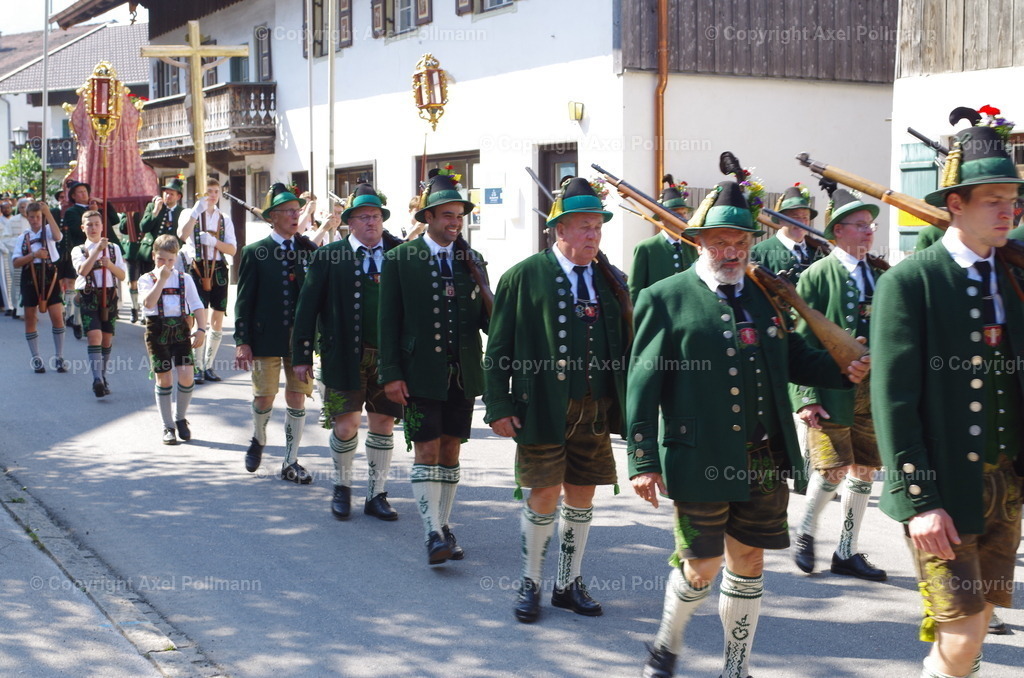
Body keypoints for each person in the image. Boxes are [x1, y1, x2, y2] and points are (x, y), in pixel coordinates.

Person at [628, 179, 869, 678]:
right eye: (720, 240)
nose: (731, 250)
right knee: (701, 567)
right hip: (697, 454)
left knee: (750, 563)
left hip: (762, 456)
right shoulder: (664, 298)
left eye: (740, 241)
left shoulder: (765, 297)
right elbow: (642, 385)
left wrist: (840, 370)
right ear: (699, 241)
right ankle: (666, 644)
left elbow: (793, 357)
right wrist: (643, 460)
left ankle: (735, 669)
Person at [872, 113, 1024, 678]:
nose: (1008, 210)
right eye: (992, 200)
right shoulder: (912, 282)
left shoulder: (1011, 274)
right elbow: (893, 400)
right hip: (944, 492)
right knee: (961, 637)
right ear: (954, 205)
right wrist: (919, 501)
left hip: (1004, 485)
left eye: (1012, 199)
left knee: (978, 624)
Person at [484, 177, 627, 623]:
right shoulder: (523, 277)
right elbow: (499, 349)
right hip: (541, 406)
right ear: (559, 230)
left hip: (595, 409)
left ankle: (569, 582)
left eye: (598, 228)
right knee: (544, 494)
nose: (592, 236)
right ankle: (530, 583)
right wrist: (499, 406)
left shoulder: (609, 280)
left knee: (582, 496)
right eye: (583, 227)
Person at [379, 171, 488, 565]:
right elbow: (387, 322)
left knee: (450, 450)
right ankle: (431, 533)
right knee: (426, 449)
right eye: (447, 216)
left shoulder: (472, 260)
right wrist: (391, 373)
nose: (455, 223)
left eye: (459, 216)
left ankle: (444, 524)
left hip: (462, 373)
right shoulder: (400, 260)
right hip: (419, 371)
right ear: (428, 217)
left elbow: (488, 322)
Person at [789, 189, 887, 581]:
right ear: (839, 231)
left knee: (864, 470)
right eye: (861, 226)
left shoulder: (880, 275)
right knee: (831, 469)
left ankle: (847, 551)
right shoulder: (816, 274)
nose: (869, 233)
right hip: (828, 388)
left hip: (871, 390)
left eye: (870, 226)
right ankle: (806, 533)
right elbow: (800, 339)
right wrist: (807, 398)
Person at [293, 183, 403, 521]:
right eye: (363, 217)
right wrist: (301, 355)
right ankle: (342, 487)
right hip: (343, 356)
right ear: (349, 223)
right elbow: (307, 307)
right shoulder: (328, 256)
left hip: (390, 357)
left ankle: (376, 494)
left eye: (376, 216)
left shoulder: (401, 253)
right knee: (347, 425)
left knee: (384, 423)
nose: (371, 222)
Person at [235, 184, 315, 483]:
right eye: (291, 211)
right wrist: (242, 341)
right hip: (264, 336)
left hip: (300, 339)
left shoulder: (307, 251)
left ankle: (291, 461)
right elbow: (243, 299)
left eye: (298, 210)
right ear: (274, 217)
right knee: (265, 396)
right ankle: (258, 438)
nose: (297, 215)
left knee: (297, 398)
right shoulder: (255, 252)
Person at [139, 235, 207, 445]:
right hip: (157, 331)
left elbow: (197, 305)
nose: (166, 264)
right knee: (164, 379)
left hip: (180, 331)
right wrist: (160, 279)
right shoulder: (146, 279)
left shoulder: (184, 278)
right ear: (153, 257)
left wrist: (202, 329)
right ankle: (167, 426)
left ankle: (180, 418)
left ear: (176, 258)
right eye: (161, 259)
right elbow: (148, 304)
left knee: (187, 376)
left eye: (170, 260)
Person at [179, 178, 237, 383]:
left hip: (219, 268)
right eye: (208, 192)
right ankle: (197, 366)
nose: (212, 195)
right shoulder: (189, 213)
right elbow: (181, 235)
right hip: (197, 267)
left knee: (217, 320)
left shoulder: (224, 218)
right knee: (198, 317)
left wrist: (214, 242)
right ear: (201, 194)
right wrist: (195, 212)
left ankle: (209, 365)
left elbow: (232, 249)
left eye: (215, 191)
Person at [72, 210, 127, 398]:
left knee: (106, 339)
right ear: (83, 228)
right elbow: (82, 271)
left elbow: (122, 275)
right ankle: (96, 379)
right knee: (94, 336)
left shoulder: (113, 249)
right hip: (89, 295)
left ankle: (102, 376)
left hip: (110, 295)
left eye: (96, 224)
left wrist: (109, 264)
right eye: (89, 224)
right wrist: (96, 250)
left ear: (103, 226)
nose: (93, 228)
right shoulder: (78, 250)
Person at [11, 202, 66, 373]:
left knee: (57, 316)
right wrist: (34, 255)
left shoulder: (48, 231)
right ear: (27, 217)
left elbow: (58, 237)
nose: (35, 220)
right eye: (32, 217)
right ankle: (36, 358)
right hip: (30, 276)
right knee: (30, 317)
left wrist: (48, 213)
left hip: (50, 274)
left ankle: (59, 357)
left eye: (38, 217)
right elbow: (16, 262)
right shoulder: (23, 237)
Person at [628, 174, 697, 303]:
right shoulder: (647, 248)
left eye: (684, 213)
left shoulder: (693, 246)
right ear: (663, 218)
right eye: (676, 214)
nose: (682, 218)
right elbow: (635, 291)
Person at [750, 183, 820, 280]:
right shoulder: (759, 253)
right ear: (780, 219)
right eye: (795, 217)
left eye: (805, 217)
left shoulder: (818, 251)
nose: (801, 222)